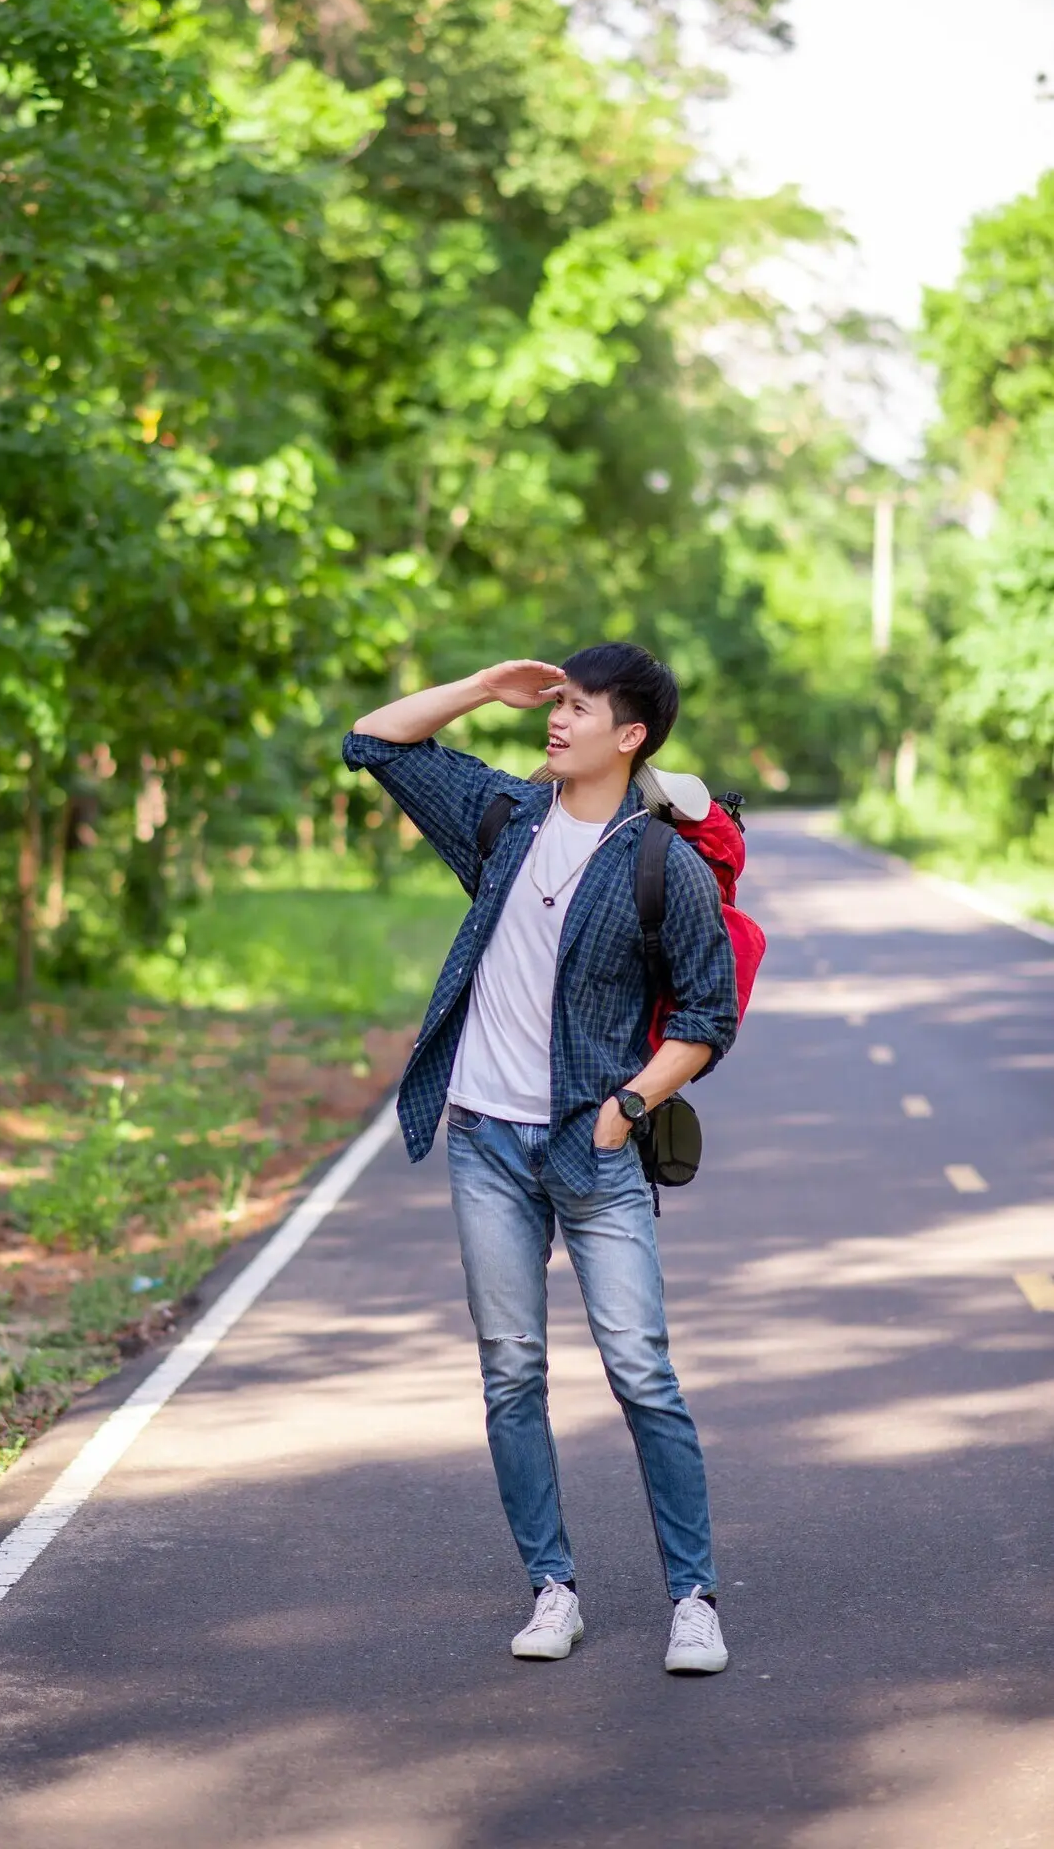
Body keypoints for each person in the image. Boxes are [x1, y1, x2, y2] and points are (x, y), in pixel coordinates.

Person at [343, 643, 738, 1674]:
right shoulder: (499, 819)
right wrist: (479, 687)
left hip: (592, 1146)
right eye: (554, 703)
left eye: (578, 707)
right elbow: (371, 741)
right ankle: (550, 1585)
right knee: (510, 1372)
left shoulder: (665, 865)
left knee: (640, 1370)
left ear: (632, 733)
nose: (555, 720)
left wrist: (624, 1106)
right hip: (483, 1139)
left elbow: (705, 1017)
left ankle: (691, 1598)